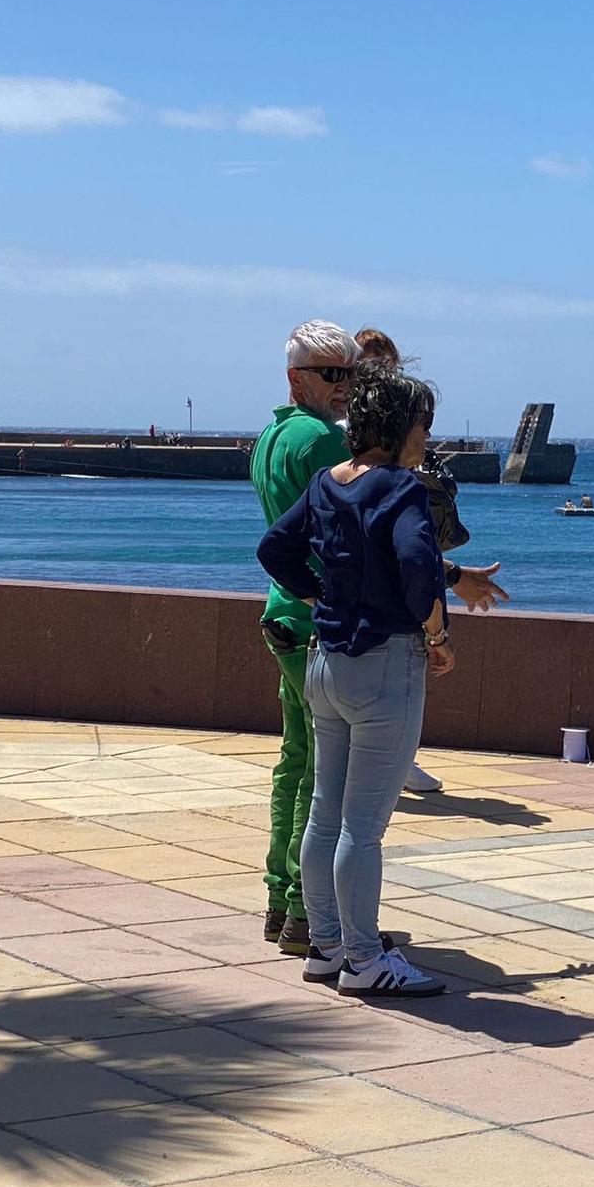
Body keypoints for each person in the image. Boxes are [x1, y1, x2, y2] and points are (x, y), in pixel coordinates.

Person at [257, 366, 454, 997]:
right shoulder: (402, 490)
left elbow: (274, 549)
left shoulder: (325, 484)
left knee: (324, 814)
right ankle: (366, 959)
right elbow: (419, 564)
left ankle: (324, 946)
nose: (426, 437)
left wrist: (319, 596)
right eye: (422, 424)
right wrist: (437, 633)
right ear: (398, 427)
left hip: (325, 663)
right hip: (384, 666)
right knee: (362, 827)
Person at [356, 327, 510, 795]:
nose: (383, 374)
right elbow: (399, 552)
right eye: (370, 364)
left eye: (388, 364)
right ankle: (395, 764)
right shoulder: (369, 463)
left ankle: (398, 761)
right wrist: (441, 624)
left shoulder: (348, 467)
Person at [249, 320, 359, 957]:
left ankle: (280, 897)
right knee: (324, 772)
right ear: (297, 377)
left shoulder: (270, 435)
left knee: (295, 762)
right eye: (331, 373)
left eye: (348, 372)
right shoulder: (319, 439)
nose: (344, 385)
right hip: (317, 620)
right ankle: (303, 911)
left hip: (282, 614)